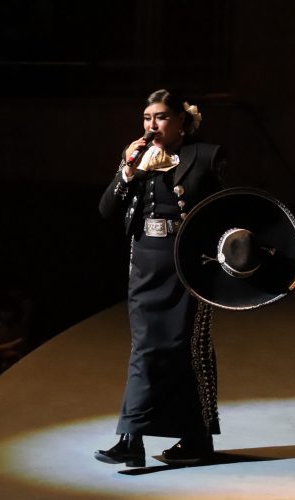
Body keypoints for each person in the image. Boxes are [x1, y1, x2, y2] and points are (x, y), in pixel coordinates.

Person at [96, 89, 225, 467]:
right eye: (147, 117)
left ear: (182, 120)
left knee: (187, 349)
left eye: (161, 117)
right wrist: (127, 171)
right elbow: (106, 209)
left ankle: (197, 438)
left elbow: (225, 211)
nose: (152, 125)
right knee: (144, 349)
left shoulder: (206, 155)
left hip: (188, 265)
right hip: (146, 264)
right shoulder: (137, 158)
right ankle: (130, 439)